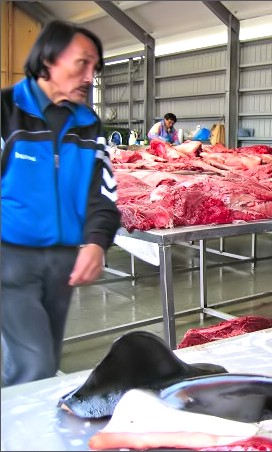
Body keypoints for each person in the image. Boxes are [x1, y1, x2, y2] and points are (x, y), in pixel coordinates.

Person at [0, 20, 122, 387]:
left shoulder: (87, 124)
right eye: (82, 64)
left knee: (43, 358)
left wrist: (96, 242)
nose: (90, 76)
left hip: (61, 263)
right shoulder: (7, 111)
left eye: (94, 68)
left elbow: (102, 193)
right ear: (49, 60)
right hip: (10, 261)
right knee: (34, 362)